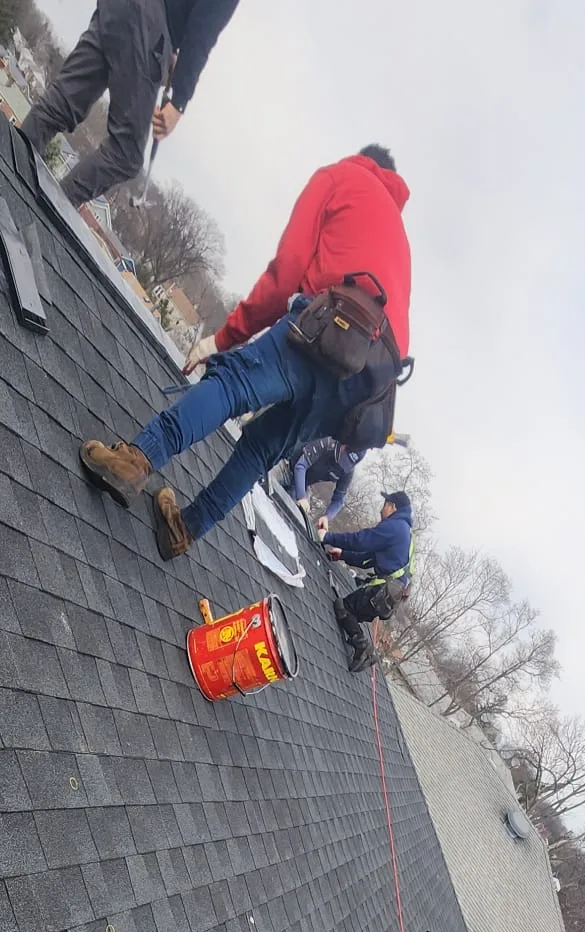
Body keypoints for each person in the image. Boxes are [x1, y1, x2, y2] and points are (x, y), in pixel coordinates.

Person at [79, 144, 412, 558]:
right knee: (262, 448)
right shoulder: (401, 241)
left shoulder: (341, 177)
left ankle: (135, 460)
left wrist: (222, 339)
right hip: (361, 387)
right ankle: (183, 530)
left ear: (362, 159)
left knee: (233, 383)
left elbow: (287, 269)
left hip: (325, 331)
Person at [22, 1, 240, 209]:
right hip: (147, 26)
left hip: (117, 9)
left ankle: (7, 168)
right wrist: (179, 102)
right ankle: (48, 207)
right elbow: (202, 34)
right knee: (126, 155)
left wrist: (172, 47)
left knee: (64, 100)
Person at [322, 489, 413, 666]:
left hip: (381, 592)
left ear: (392, 506)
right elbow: (369, 557)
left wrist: (327, 537)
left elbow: (361, 540)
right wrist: (343, 555)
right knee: (352, 615)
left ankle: (362, 647)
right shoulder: (406, 535)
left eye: (384, 505)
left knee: (344, 607)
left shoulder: (395, 527)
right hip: (389, 599)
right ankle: (362, 647)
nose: (381, 510)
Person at [286, 440, 366, 528]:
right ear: (344, 446)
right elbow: (300, 466)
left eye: (348, 463)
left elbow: (339, 500)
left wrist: (327, 517)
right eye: (345, 458)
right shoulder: (327, 443)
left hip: (303, 483)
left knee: (301, 515)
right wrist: (301, 496)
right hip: (288, 464)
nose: (342, 465)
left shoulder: (347, 471)